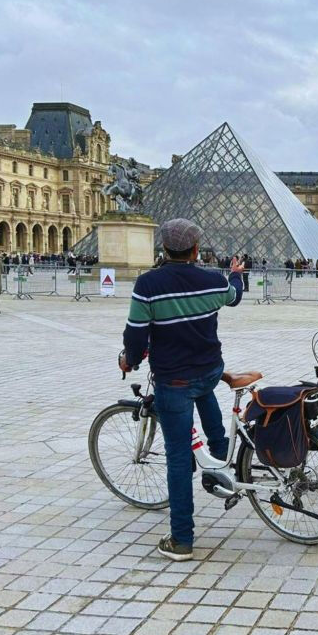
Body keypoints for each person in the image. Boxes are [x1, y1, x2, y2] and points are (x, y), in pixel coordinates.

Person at [120, 218, 244, 561]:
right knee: (207, 404)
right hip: (209, 369)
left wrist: (129, 359)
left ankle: (182, 539)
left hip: (173, 378)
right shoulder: (211, 280)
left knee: (177, 457)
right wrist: (235, 273)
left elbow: (135, 335)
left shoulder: (148, 284)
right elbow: (233, 298)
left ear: (163, 249)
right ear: (195, 249)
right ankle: (222, 469)